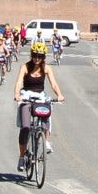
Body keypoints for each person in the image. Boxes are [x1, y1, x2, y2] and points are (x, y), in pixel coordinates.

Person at [13, 40, 65, 171]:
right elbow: (19, 82)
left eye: (40, 56)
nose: (37, 58)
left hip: (41, 96)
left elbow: (53, 83)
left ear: (44, 57)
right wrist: (17, 94)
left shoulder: (47, 68)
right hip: (26, 96)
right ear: (31, 55)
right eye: (35, 55)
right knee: (25, 127)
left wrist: (59, 94)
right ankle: (21, 157)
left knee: (47, 117)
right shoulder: (25, 67)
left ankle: (46, 141)